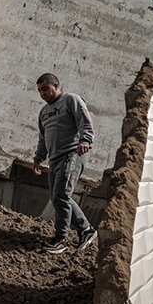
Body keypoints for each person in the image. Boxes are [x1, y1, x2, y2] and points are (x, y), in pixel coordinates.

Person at [32, 73, 98, 254]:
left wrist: (85, 140)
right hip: (54, 159)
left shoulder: (71, 100)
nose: (42, 93)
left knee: (62, 194)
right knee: (58, 197)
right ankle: (86, 230)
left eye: (45, 88)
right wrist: (38, 158)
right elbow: (42, 138)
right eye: (39, 90)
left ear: (56, 85)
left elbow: (85, 122)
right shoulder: (44, 112)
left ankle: (61, 239)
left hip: (73, 154)